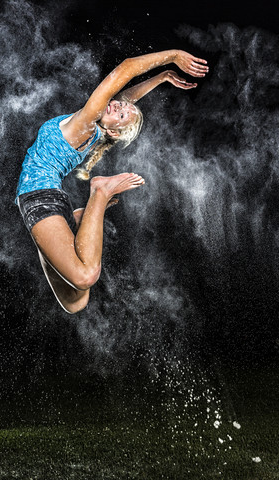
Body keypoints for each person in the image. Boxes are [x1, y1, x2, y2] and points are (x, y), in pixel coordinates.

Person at [16, 49, 208, 314]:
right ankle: (74, 221)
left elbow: (127, 67)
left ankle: (99, 192)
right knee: (78, 295)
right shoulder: (94, 128)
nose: (117, 105)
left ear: (111, 131)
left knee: (81, 289)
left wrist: (172, 56)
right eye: (120, 104)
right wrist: (162, 76)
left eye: (120, 113)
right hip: (49, 198)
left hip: (38, 197)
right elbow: (127, 97)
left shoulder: (85, 124)